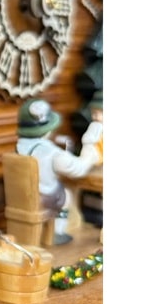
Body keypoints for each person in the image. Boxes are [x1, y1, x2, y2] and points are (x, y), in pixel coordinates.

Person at [15, 98, 101, 245]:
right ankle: (57, 233)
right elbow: (78, 169)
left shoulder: (19, 146)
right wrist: (90, 154)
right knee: (66, 196)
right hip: (43, 198)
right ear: (48, 129)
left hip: (20, 196)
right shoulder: (52, 153)